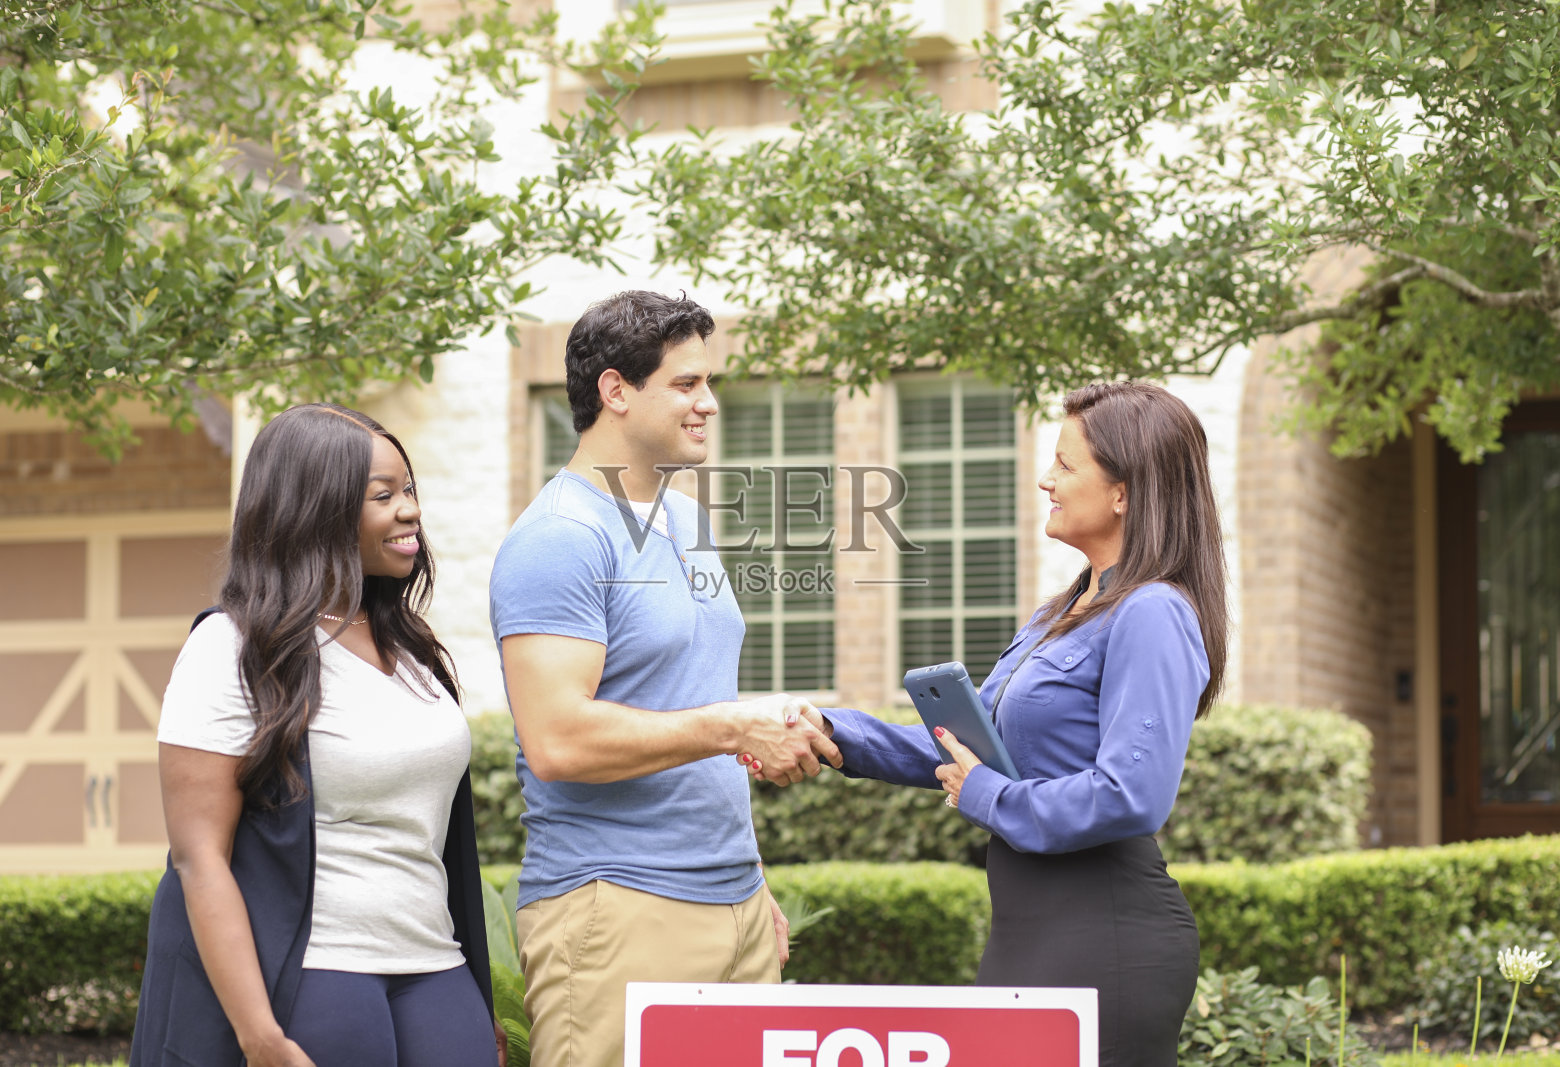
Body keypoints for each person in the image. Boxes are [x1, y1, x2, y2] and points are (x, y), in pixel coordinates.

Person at [785, 381, 1227, 1067]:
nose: (1046, 479)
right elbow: (969, 747)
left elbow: (1132, 794)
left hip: (1103, 935)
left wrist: (988, 794)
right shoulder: (1063, 610)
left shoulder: (1153, 611)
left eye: (1066, 464)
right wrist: (834, 732)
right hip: (1027, 928)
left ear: (1125, 491)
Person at [488, 290, 840, 1067]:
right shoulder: (559, 538)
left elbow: (684, 693)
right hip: (617, 906)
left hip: (734, 901)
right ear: (616, 390)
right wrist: (733, 726)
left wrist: (747, 877)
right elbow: (557, 740)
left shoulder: (687, 522)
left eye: (707, 383)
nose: (708, 403)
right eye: (685, 384)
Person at [131, 403, 504, 1067]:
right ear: (316, 509)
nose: (410, 510)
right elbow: (199, 857)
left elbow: (439, 838)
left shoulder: (410, 649)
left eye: (410, 489)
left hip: (435, 963)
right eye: (383, 496)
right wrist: (258, 1033)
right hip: (316, 971)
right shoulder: (235, 647)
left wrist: (474, 994)